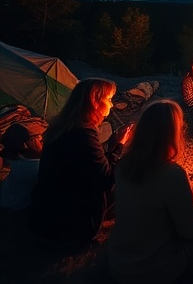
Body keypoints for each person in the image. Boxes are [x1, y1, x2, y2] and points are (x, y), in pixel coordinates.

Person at [108, 99, 193, 284]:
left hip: (118, 264)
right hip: (157, 271)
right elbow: (191, 231)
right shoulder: (172, 174)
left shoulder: (123, 165)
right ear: (172, 133)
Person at [28, 78, 132, 250]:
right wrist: (120, 147)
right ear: (95, 102)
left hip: (40, 223)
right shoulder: (82, 134)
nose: (112, 105)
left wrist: (113, 145)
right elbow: (107, 178)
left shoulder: (62, 127)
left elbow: (88, 166)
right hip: (68, 232)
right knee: (128, 183)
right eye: (109, 99)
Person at [0, 121, 46, 210]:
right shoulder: (34, 169)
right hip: (15, 209)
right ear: (25, 145)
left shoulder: (18, 157)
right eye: (38, 138)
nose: (42, 140)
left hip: (6, 197)